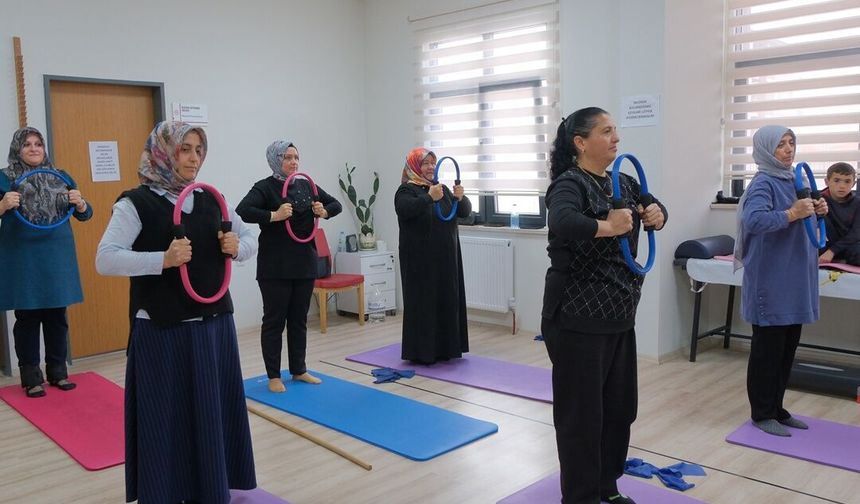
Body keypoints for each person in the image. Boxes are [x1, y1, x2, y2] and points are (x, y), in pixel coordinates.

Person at [95, 121, 256, 503]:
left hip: (213, 325)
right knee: (167, 418)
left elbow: (251, 237)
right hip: (163, 329)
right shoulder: (136, 202)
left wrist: (238, 246)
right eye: (185, 149)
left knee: (212, 413)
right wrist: (163, 260)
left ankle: (211, 486)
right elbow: (105, 259)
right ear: (165, 152)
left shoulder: (210, 198)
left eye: (199, 150)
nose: (194, 158)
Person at [541, 107, 667, 504]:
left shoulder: (624, 181)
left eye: (616, 131)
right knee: (582, 417)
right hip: (577, 317)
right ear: (580, 142)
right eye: (606, 131)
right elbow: (562, 221)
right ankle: (580, 497)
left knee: (618, 411)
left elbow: (655, 209)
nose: (616, 138)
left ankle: (606, 488)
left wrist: (658, 215)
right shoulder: (569, 183)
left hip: (618, 315)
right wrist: (607, 227)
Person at [735, 125, 828, 438]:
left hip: (793, 280)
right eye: (781, 145)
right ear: (765, 150)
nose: (788, 150)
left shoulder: (794, 180)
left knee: (787, 349)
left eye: (791, 143)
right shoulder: (763, 182)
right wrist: (792, 213)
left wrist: (818, 210)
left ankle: (777, 408)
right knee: (767, 352)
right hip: (771, 281)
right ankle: (761, 413)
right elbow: (754, 220)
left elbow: (803, 216)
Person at [236, 140, 341, 393]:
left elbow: (335, 204)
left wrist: (323, 211)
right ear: (275, 159)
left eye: (296, 157)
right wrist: (274, 215)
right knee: (274, 321)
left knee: (298, 320)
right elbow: (243, 210)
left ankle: (299, 369)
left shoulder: (306, 184)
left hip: (304, 263)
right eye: (287, 157)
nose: (293, 162)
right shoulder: (265, 187)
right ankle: (273, 375)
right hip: (275, 266)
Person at [0, 126, 92, 398]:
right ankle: (30, 378)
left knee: (56, 316)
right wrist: (3, 205)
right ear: (18, 148)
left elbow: (84, 215)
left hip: (56, 256)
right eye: (27, 144)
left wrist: (82, 203)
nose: (33, 148)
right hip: (23, 256)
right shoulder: (4, 179)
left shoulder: (61, 177)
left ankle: (58, 373)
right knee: (27, 316)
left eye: (38, 143)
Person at [394, 148, 471, 364]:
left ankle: (447, 349)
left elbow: (464, 212)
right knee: (424, 302)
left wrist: (461, 197)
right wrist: (428, 197)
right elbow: (405, 209)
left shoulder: (442, 189)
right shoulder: (406, 190)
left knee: (446, 300)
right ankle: (423, 352)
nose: (430, 167)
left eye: (433, 163)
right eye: (425, 163)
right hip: (420, 260)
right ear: (415, 166)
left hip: (446, 258)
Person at [819, 162, 860, 265]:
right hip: (825, 245)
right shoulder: (818, 200)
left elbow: (856, 233)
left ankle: (840, 260)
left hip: (849, 246)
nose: (842, 186)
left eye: (847, 181)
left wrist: (832, 251)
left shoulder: (858, 203)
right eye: (836, 180)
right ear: (826, 182)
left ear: (854, 184)